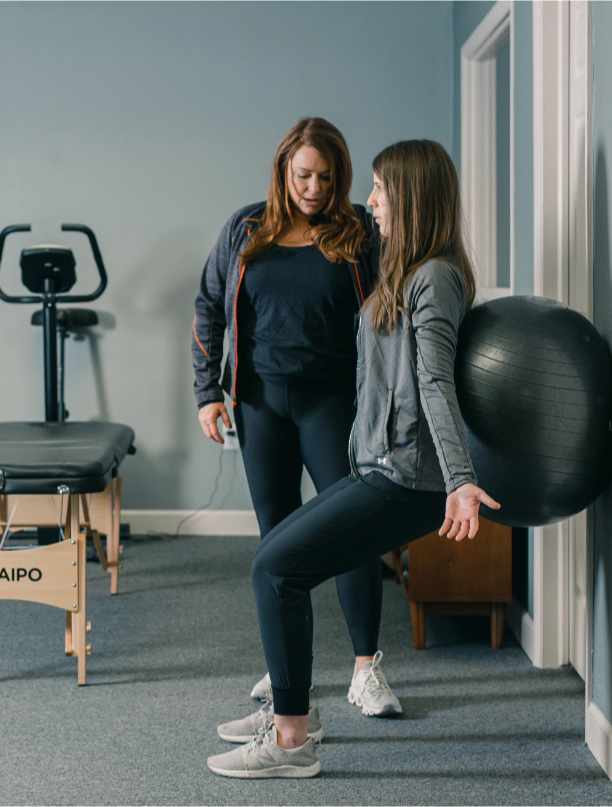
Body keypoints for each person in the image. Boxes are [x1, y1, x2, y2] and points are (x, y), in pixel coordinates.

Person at [206, 139, 501, 779]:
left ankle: (291, 743)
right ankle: (298, 714)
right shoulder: (408, 269)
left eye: (379, 190)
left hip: (405, 478)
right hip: (378, 466)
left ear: (412, 199)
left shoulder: (435, 280)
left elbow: (436, 384)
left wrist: (462, 480)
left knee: (275, 569)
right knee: (278, 560)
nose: (369, 203)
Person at [192, 118, 404, 734]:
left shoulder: (358, 231)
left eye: (326, 176)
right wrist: (209, 393)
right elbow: (208, 304)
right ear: (284, 168)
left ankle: (366, 668)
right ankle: (290, 669)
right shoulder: (245, 229)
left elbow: (396, 298)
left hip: (333, 403)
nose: (313, 187)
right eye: (303, 174)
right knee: (278, 540)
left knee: (352, 536)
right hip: (260, 404)